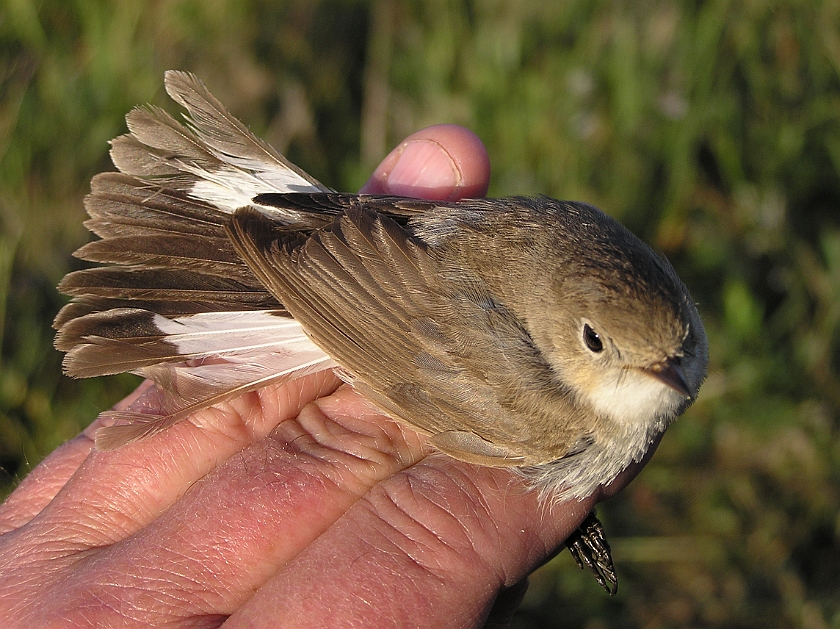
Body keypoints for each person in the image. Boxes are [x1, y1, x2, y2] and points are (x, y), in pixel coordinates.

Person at [0, 125, 654, 628]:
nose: (669, 375)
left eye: (676, 351)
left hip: (369, 258)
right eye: (600, 343)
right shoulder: (550, 408)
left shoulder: (629, 306)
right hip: (362, 302)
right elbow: (396, 347)